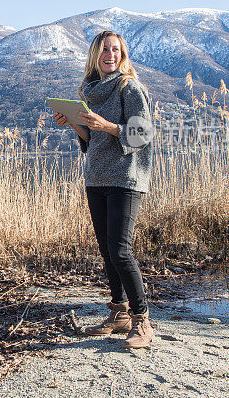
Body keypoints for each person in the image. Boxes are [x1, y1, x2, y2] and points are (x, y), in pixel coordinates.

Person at [53, 29, 154, 348]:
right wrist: (74, 124)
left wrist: (107, 125)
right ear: (94, 55)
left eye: (116, 50)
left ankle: (143, 321)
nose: (110, 55)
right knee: (108, 251)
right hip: (96, 178)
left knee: (121, 250)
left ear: (122, 56)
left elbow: (142, 134)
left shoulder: (130, 87)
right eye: (105, 50)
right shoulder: (90, 90)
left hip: (126, 177)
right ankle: (120, 312)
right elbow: (92, 141)